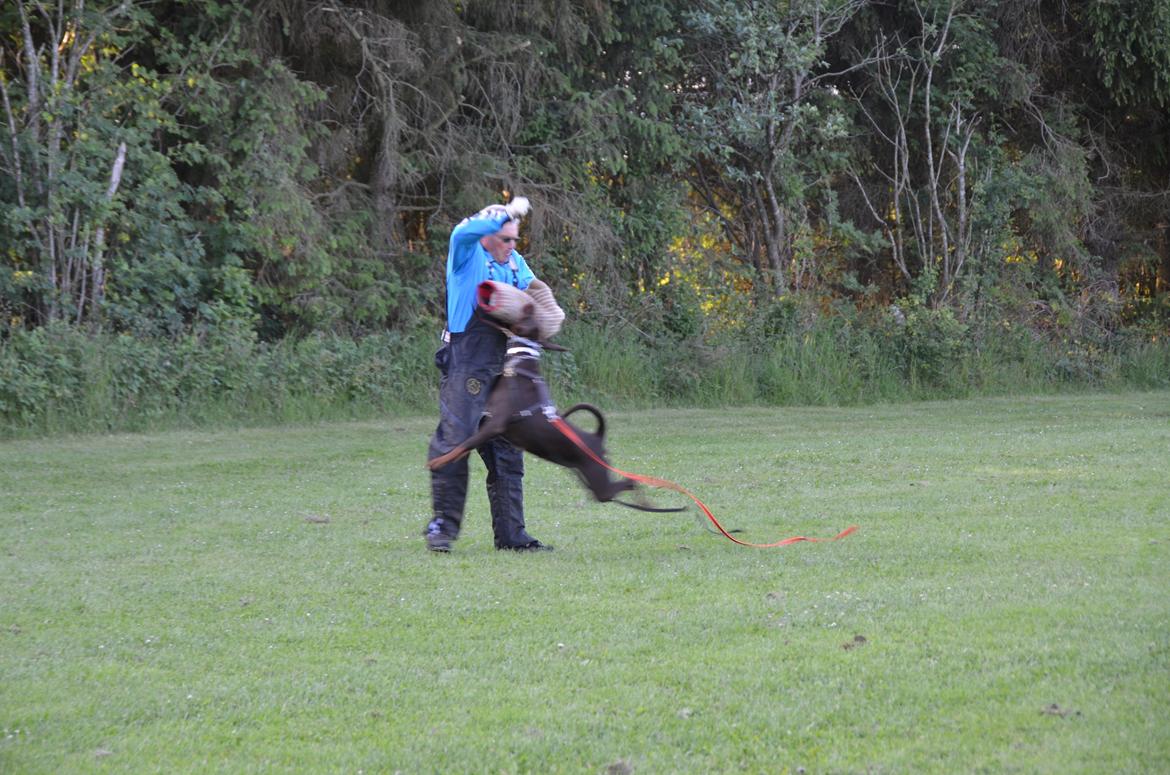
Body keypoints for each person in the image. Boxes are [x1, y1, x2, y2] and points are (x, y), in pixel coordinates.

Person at [424, 196, 552, 553]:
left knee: (509, 450)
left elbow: (533, 292)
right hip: (465, 363)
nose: (513, 247)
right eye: (506, 239)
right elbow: (462, 230)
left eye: (516, 239)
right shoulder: (466, 256)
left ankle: (512, 536)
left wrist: (547, 313)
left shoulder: (514, 262)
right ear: (489, 236)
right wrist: (504, 213)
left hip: (502, 364)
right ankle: (442, 530)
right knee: (455, 443)